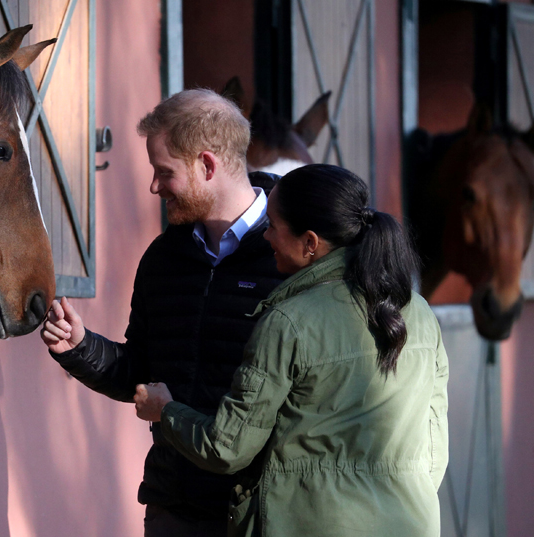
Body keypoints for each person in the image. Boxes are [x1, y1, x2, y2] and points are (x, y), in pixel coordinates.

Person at [134, 164, 449, 537]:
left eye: (272, 226)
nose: (264, 237)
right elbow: (435, 449)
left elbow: (228, 447)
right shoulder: (419, 311)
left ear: (310, 243)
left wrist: (165, 411)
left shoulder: (288, 321)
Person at [40, 89, 286, 536]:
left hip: (262, 513)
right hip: (174, 508)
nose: (154, 187)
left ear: (207, 166)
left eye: (164, 172)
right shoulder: (162, 259)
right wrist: (79, 347)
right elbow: (141, 372)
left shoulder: (290, 258)